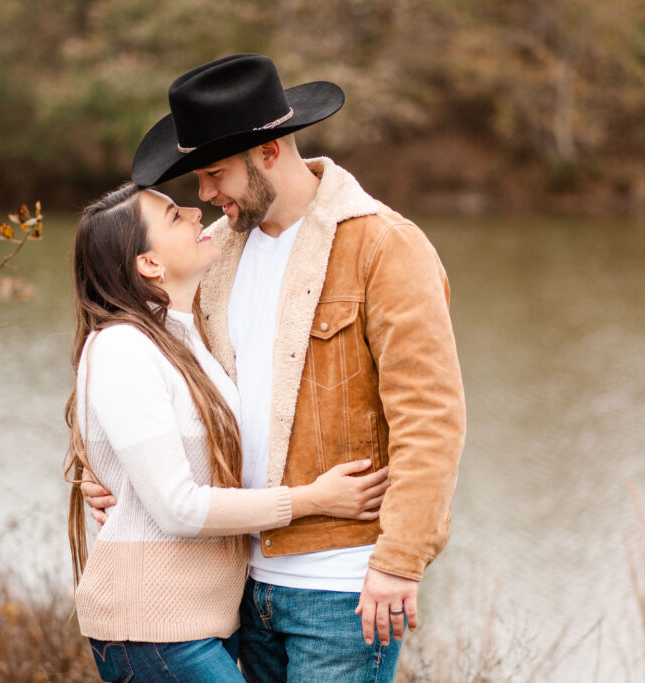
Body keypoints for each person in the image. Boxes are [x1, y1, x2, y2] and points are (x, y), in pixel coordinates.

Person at [83, 53, 466, 682]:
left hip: (339, 591)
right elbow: (149, 382)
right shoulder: (216, 258)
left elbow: (432, 417)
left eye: (213, 174)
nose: (203, 196)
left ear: (268, 152)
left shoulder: (382, 245)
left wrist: (399, 561)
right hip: (235, 591)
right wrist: (107, 477)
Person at [64, 182, 391, 682]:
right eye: (175, 216)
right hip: (149, 626)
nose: (196, 212)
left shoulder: (184, 336)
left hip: (201, 618)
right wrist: (313, 499)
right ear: (149, 264)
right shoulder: (121, 347)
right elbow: (178, 507)